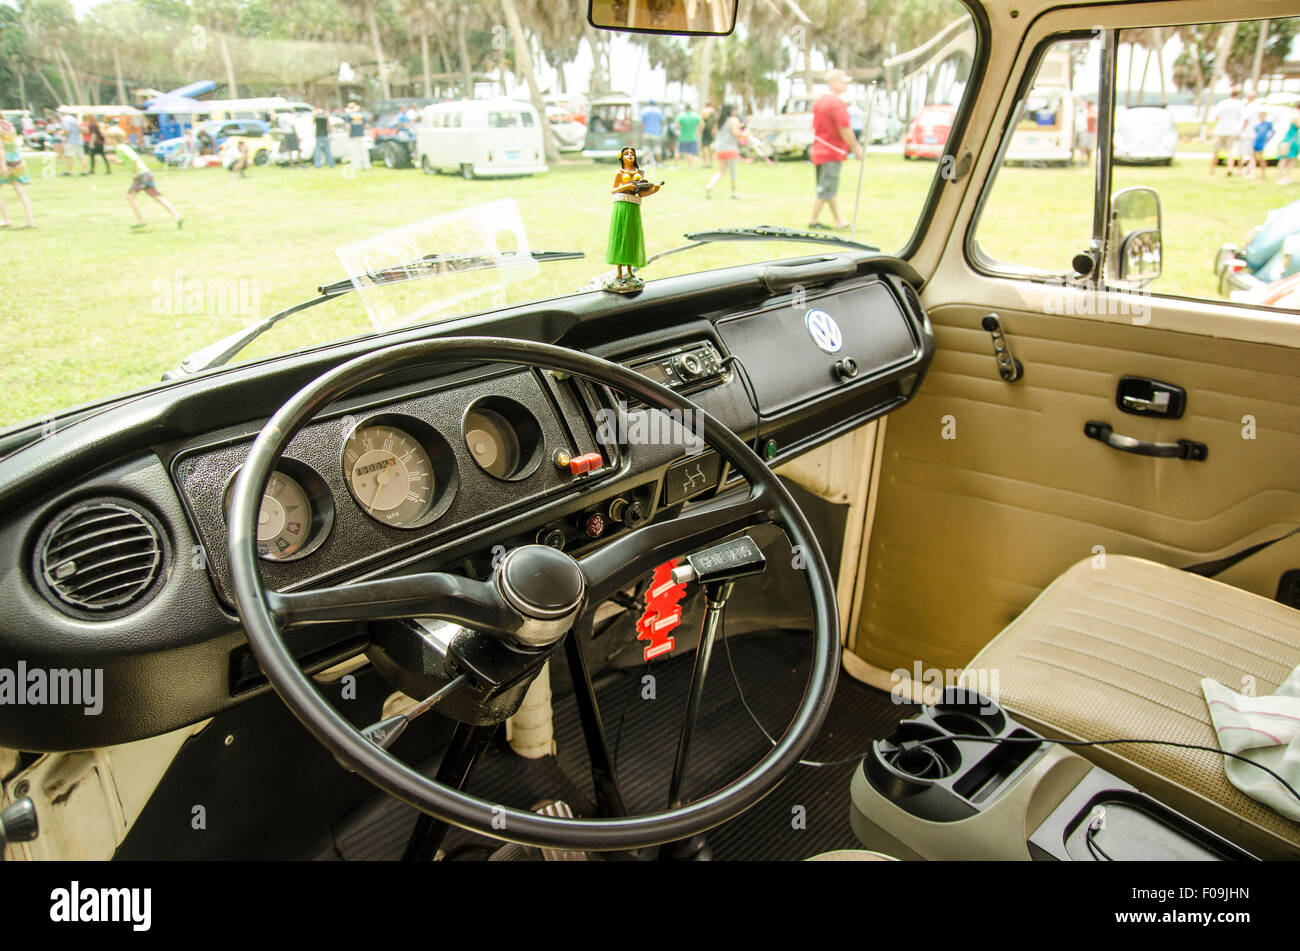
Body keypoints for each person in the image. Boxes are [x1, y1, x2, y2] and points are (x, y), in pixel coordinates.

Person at [808, 69, 863, 229]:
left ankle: (838, 220)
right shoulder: (837, 103)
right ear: (834, 83)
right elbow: (844, 128)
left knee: (828, 187)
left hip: (819, 149)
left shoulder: (819, 101)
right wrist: (856, 147)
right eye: (842, 81)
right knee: (826, 188)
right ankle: (813, 220)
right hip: (832, 151)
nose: (845, 84)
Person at [604, 146, 662, 293]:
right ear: (621, 157)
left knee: (631, 236)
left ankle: (629, 270)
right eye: (626, 154)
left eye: (632, 154)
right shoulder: (619, 173)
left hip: (633, 206)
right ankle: (618, 271)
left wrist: (653, 189)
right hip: (621, 205)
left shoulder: (638, 173)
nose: (630, 156)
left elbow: (641, 193)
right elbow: (612, 190)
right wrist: (627, 186)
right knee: (620, 235)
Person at [104, 126, 182, 230]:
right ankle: (176, 215)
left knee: (129, 196)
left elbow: (134, 160)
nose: (106, 140)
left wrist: (135, 173)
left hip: (141, 175)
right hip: (146, 173)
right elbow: (127, 161)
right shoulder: (123, 147)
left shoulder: (120, 148)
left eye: (108, 137)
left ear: (114, 138)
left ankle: (141, 220)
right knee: (156, 196)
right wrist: (115, 162)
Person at [0, 120, 36, 229]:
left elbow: (1, 148)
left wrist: (3, 167)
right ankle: (30, 221)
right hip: (17, 161)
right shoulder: (9, 125)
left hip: (6, 163)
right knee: (22, 193)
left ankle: (6, 219)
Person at [705, 103, 745, 199]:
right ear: (731, 111)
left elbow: (714, 132)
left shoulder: (719, 121)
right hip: (731, 149)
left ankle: (709, 186)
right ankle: (734, 192)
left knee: (721, 172)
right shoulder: (733, 120)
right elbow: (736, 133)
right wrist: (745, 134)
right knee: (733, 172)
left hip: (720, 149)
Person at [58, 109, 85, 176]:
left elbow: (67, 130)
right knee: (81, 156)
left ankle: (68, 171)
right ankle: (85, 170)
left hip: (71, 140)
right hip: (78, 140)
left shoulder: (65, 120)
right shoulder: (73, 119)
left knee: (69, 156)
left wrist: (61, 133)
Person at [1249, 110, 1275, 181]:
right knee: (1253, 157)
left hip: (1262, 142)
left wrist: (1267, 140)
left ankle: (1262, 174)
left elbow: (1272, 132)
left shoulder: (1268, 124)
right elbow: (1254, 133)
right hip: (1256, 141)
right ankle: (1252, 173)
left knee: (1261, 158)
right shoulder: (1257, 124)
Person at [676, 103, 701, 168]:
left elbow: (677, 125)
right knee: (690, 152)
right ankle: (689, 166)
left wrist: (680, 129)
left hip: (682, 137)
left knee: (678, 151)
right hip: (692, 137)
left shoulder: (681, 115)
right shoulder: (695, 115)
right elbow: (702, 124)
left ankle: (675, 165)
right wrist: (698, 131)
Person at [640, 99, 664, 165]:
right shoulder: (658, 110)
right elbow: (662, 122)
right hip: (656, 132)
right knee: (657, 149)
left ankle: (645, 163)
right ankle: (659, 163)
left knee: (645, 148)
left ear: (648, 103)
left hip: (646, 132)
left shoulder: (644, 110)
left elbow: (641, 123)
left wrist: (642, 131)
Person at [346, 103, 370, 170]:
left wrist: (349, 134)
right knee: (364, 151)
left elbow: (348, 126)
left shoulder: (349, 116)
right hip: (361, 135)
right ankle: (366, 165)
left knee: (355, 152)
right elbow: (366, 125)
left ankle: (356, 167)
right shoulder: (361, 115)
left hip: (353, 136)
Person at [1277, 116, 1299, 185]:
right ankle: (1279, 178)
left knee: (1292, 159)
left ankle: (1286, 177)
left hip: (1294, 141)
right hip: (1289, 141)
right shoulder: (1295, 117)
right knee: (1284, 159)